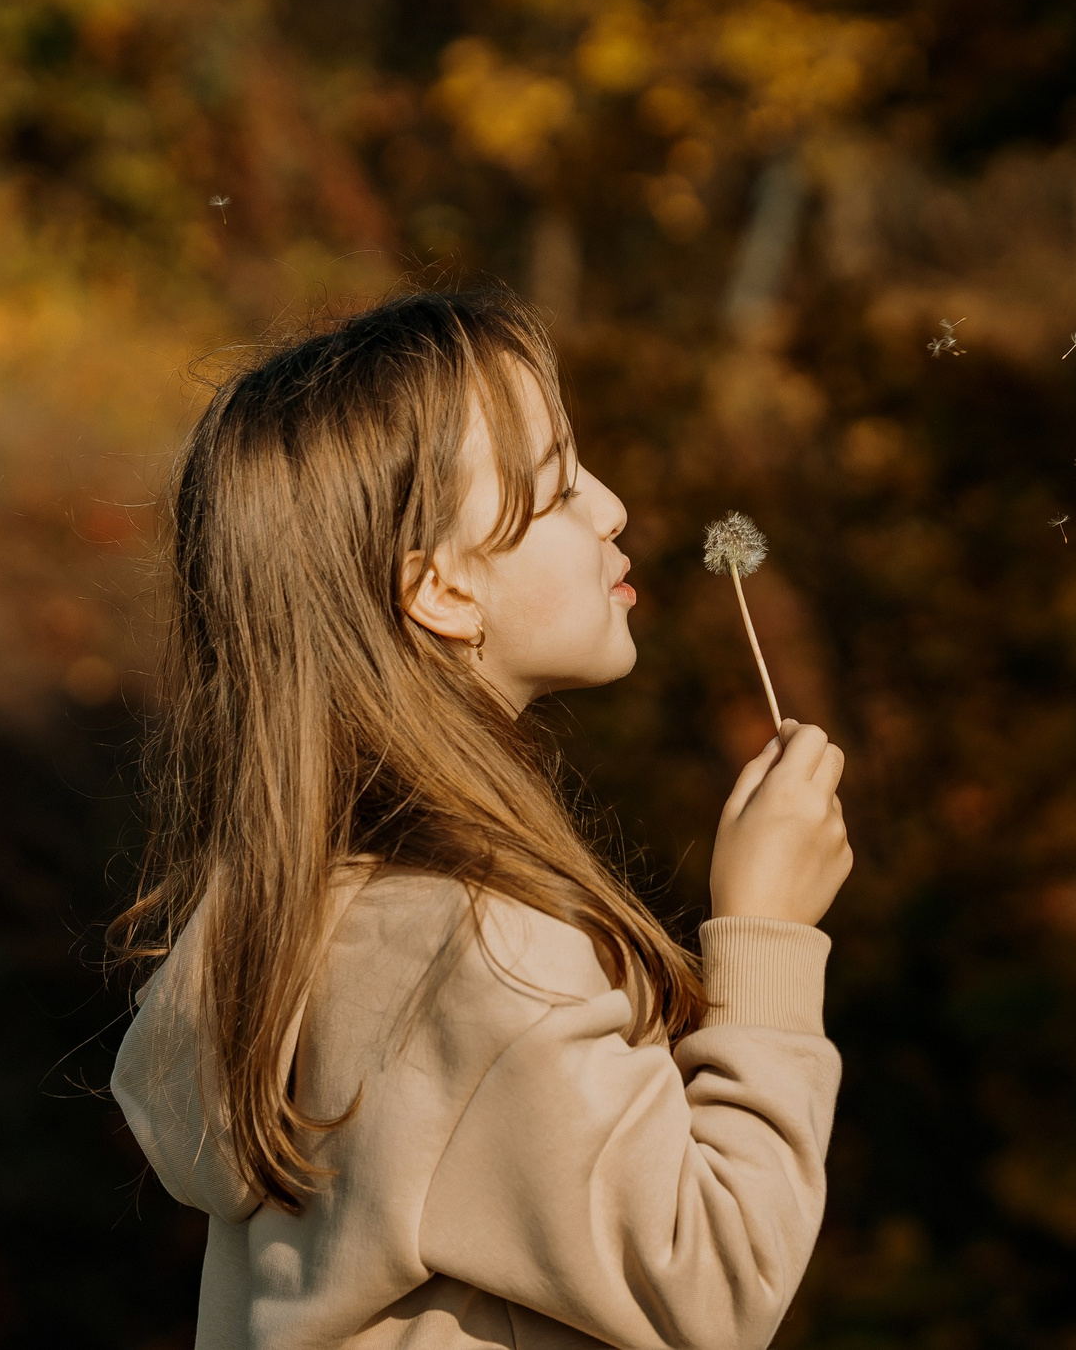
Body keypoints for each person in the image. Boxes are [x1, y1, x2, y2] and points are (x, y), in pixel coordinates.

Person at [108, 289, 853, 1350]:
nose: (611, 508)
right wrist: (770, 931)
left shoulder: (285, 926)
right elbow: (710, 1286)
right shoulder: (483, 952)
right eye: (555, 489)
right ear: (441, 592)